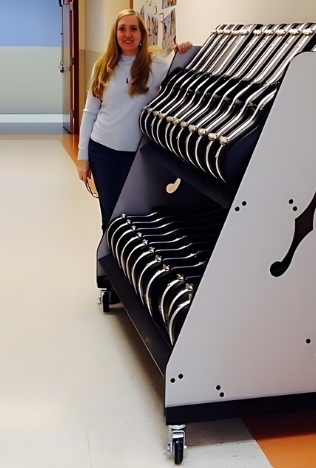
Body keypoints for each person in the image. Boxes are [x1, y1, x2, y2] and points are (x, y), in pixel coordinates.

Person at [75, 10, 191, 301]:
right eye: (122, 29)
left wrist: (184, 49)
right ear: (115, 35)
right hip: (103, 152)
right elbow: (90, 113)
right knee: (110, 216)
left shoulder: (156, 66)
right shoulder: (103, 66)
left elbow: (186, 64)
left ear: (142, 35)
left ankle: (131, 276)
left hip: (134, 156)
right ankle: (110, 278)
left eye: (133, 29)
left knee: (134, 216)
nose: (127, 34)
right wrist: (83, 155)